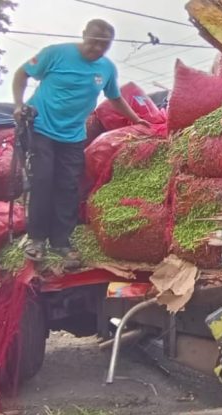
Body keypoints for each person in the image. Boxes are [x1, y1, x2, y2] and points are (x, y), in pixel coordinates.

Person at [12, 19, 148, 266]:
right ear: (84, 34)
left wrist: (137, 119)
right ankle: (37, 240)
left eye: (104, 45)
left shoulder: (106, 69)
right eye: (94, 41)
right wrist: (18, 104)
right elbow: (21, 73)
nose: (97, 48)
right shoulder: (55, 54)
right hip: (41, 127)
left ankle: (61, 242)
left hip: (73, 135)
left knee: (68, 186)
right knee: (43, 181)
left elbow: (115, 98)